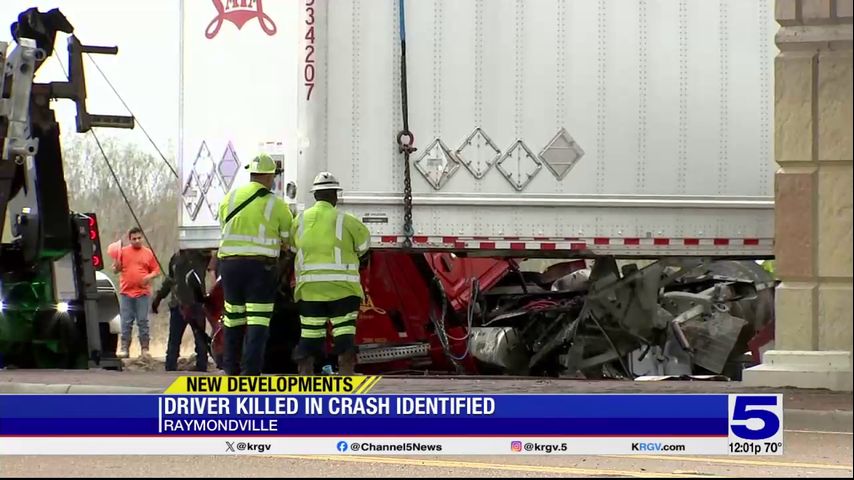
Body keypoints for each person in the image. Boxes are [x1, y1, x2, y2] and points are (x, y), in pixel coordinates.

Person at [217, 153, 293, 376]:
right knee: (258, 323)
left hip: (230, 266)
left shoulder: (230, 198)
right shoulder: (276, 204)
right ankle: (251, 373)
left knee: (233, 319)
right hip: (260, 269)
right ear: (270, 177)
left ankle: (230, 370)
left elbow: (223, 225)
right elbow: (288, 238)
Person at [290, 172, 371, 375]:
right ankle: (346, 372)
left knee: (310, 334)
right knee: (344, 331)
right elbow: (364, 246)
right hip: (342, 289)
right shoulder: (347, 220)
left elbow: (292, 247)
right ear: (335, 195)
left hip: (309, 290)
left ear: (315, 196)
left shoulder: (299, 220)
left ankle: (305, 372)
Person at [152, 250, 212, 372]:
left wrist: (158, 299)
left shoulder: (201, 256)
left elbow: (169, 281)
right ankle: (172, 365)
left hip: (193, 304)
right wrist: (158, 298)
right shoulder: (179, 257)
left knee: (192, 338)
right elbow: (170, 280)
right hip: (183, 304)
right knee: (179, 338)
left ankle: (198, 365)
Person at [113, 226, 160, 358]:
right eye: (134, 239)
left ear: (142, 238)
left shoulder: (148, 253)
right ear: (130, 239)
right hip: (126, 292)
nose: (137, 241)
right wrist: (116, 265)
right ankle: (124, 348)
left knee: (143, 321)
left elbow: (156, 270)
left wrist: (149, 277)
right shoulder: (122, 252)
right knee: (126, 321)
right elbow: (115, 270)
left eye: (139, 238)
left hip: (143, 293)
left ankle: (145, 349)